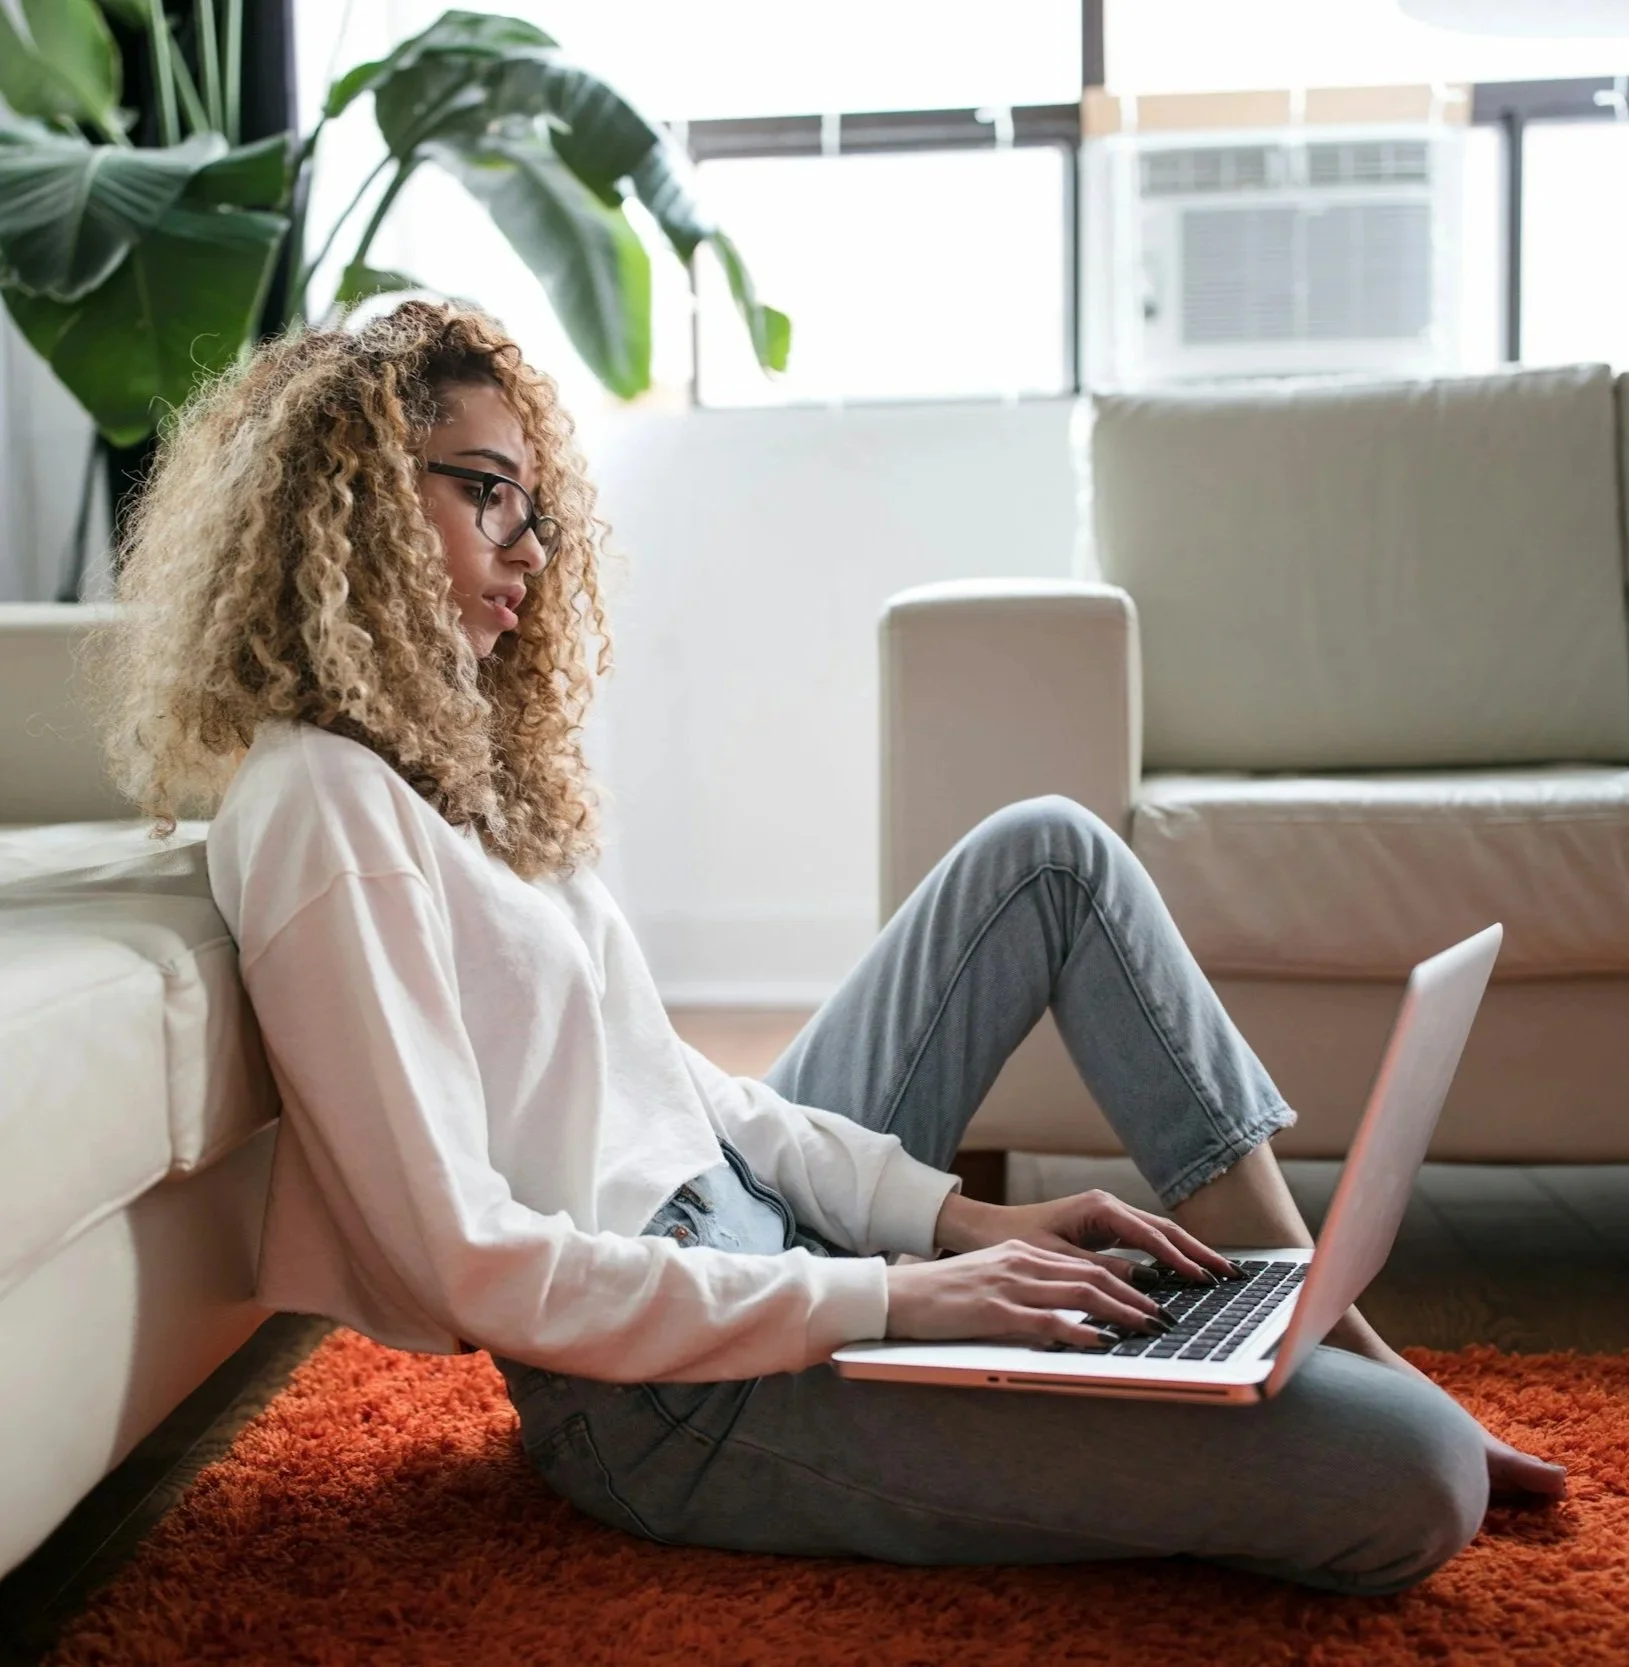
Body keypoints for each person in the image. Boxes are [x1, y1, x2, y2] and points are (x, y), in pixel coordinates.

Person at [81, 298, 1564, 1599]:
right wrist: (890, 1296)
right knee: (1416, 1478)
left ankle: (1314, 1318)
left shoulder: (457, 768)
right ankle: (1341, 1380)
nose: (529, 545)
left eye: (536, 503)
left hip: (747, 1233)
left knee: (1047, 848)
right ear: (346, 501)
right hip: (660, 1394)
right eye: (487, 493)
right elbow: (468, 1259)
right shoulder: (317, 809)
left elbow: (679, 1087)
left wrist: (948, 1224)